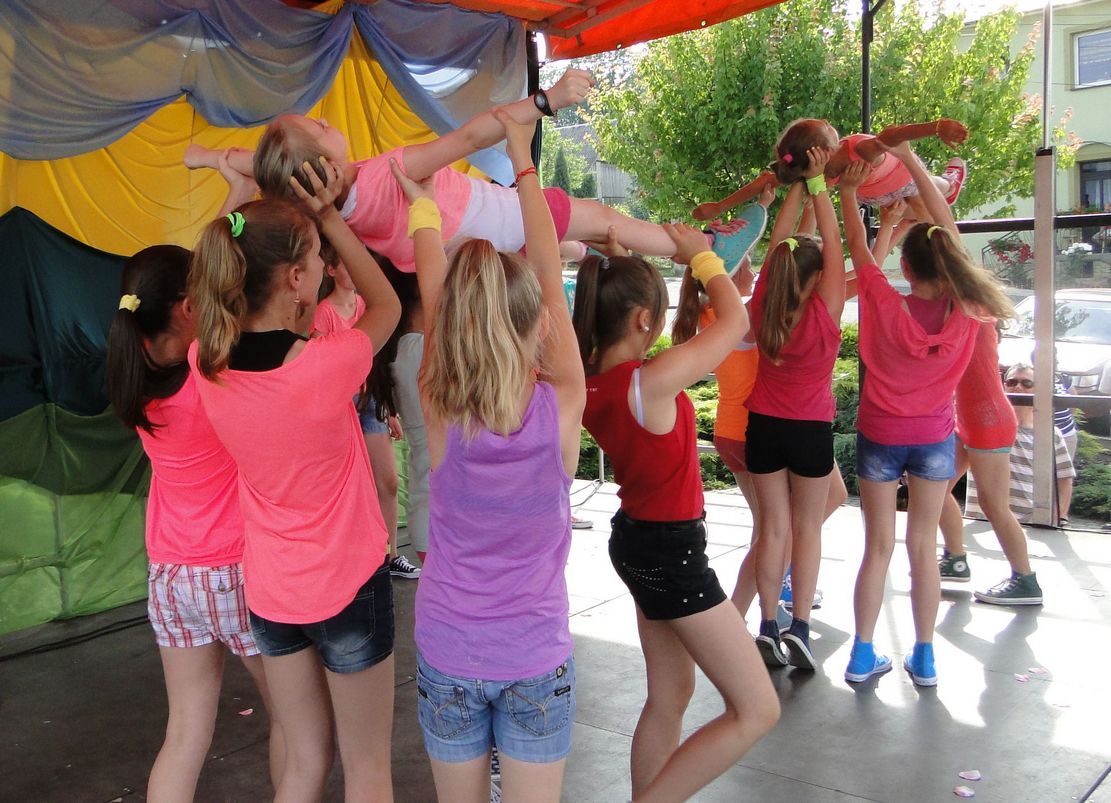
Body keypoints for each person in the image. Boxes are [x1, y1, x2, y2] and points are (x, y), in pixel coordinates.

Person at [188, 164, 402, 800]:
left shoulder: (205, 361)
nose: (326, 267)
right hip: (347, 587)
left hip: (272, 594)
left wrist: (304, 232)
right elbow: (387, 304)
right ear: (294, 278)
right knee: (368, 769)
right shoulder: (323, 367)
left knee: (305, 763)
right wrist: (330, 214)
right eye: (316, 258)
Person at [389, 109, 584, 803]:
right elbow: (547, 261)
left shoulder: (439, 403)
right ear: (539, 324)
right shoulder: (561, 404)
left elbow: (435, 294)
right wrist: (523, 160)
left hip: (449, 648)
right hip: (533, 656)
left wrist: (421, 206)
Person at [574, 181, 778, 800]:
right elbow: (736, 319)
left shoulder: (592, 380)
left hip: (641, 541)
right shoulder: (651, 383)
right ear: (644, 321)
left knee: (671, 695)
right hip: (670, 552)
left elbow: (620, 329)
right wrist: (704, 258)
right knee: (756, 708)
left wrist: (618, 263)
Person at [184, 69, 758, 275]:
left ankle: (595, 255)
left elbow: (266, 169)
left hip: (464, 248)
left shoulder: (314, 200)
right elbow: (469, 137)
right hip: (496, 218)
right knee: (598, 214)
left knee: (561, 246)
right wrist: (545, 102)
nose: (326, 119)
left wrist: (216, 161)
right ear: (328, 161)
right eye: (317, 124)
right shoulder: (387, 172)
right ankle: (705, 250)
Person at [106, 244, 286, 802]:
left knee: (184, 732)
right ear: (188, 307)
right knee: (292, 720)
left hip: (170, 576)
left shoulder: (133, 375)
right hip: (235, 571)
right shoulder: (211, 372)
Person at [840, 141, 1015, 688]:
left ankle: (862, 655)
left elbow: (858, 248)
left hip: (879, 437)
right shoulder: (968, 310)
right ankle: (925, 658)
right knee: (921, 548)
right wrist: (912, 159)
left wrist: (848, 192)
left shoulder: (882, 301)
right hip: (935, 441)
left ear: (905, 266)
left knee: (877, 548)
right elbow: (947, 229)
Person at [734, 147, 846, 672]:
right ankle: (799, 626)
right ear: (819, 278)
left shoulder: (763, 305)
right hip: (810, 431)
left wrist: (800, 183)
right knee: (807, 530)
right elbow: (833, 246)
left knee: (772, 530)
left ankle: (766, 625)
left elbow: (782, 242)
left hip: (764, 427)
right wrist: (818, 184)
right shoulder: (824, 312)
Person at [313, 245, 420, 580]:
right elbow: (321, 367)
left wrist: (388, 409)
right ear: (331, 270)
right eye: (347, 264)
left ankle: (390, 555)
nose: (356, 270)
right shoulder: (324, 313)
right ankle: (355, 559)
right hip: (340, 406)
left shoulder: (366, 307)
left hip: (370, 401)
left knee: (387, 481)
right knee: (349, 487)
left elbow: (375, 364)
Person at [937, 326, 1043, 606]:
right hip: (968, 419)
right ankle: (955, 559)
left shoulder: (974, 316)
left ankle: (1025, 580)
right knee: (934, 489)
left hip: (988, 420)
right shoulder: (969, 314)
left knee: (994, 505)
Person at [693, 117, 968, 225]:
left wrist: (719, 207)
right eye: (825, 126)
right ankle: (948, 184)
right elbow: (892, 136)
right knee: (932, 201)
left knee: (924, 209)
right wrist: (934, 127)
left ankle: (942, 190)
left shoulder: (815, 169)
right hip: (898, 184)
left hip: (887, 191)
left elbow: (766, 181)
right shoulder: (854, 152)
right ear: (825, 149)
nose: (827, 121)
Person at [963, 364, 1075, 593]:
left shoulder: (1049, 434)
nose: (1018, 388)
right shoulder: (982, 427)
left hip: (1029, 524)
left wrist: (1060, 517)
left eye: (1027, 383)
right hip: (979, 520)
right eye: (1012, 382)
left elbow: (1064, 478)